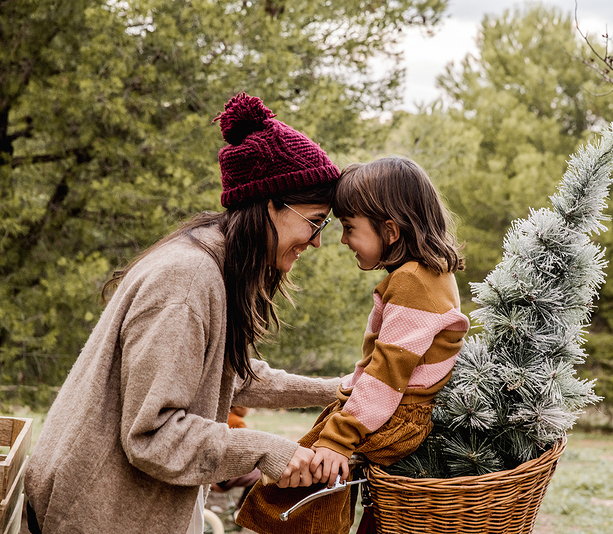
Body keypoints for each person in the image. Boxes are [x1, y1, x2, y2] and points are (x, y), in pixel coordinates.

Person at [25, 93, 343, 534]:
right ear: (269, 202)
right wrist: (266, 450)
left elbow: (226, 375)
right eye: (315, 220)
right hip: (96, 512)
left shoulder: (212, 266)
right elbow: (152, 434)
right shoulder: (187, 282)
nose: (317, 240)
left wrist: (335, 390)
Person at [235, 156, 470, 534]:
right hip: (392, 412)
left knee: (299, 482)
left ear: (390, 231)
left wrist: (337, 440)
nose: (342, 240)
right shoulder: (432, 274)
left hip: (397, 416)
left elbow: (386, 375)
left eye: (348, 227)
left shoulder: (412, 282)